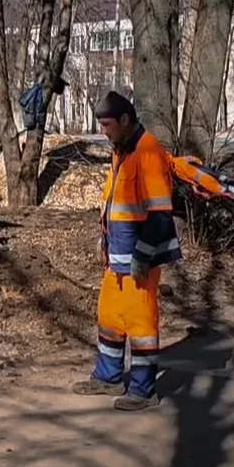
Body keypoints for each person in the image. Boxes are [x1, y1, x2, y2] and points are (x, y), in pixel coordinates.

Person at [72, 91, 181, 411]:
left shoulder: (148, 153)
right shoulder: (122, 150)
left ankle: (144, 391)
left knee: (140, 323)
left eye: (107, 125)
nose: (103, 131)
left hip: (137, 260)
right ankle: (108, 378)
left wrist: (143, 257)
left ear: (124, 120)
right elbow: (117, 206)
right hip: (118, 257)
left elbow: (160, 214)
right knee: (109, 317)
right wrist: (104, 240)